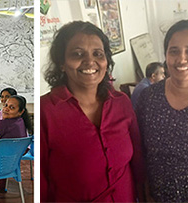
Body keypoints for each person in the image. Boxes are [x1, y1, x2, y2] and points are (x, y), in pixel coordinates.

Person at [40, 21, 144, 202]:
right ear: (62, 63)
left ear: (106, 61)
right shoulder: (47, 111)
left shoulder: (121, 103)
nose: (90, 61)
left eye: (98, 54)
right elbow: (41, 182)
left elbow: (137, 162)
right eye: (77, 54)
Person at [135, 20, 188, 202]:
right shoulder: (148, 98)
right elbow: (140, 150)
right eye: (174, 51)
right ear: (165, 55)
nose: (181, 59)